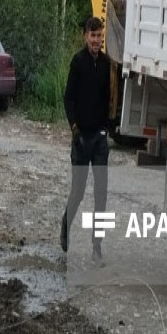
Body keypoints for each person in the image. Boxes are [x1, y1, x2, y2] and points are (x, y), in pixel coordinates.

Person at [61, 16, 115, 262]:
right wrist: (75, 130)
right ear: (85, 36)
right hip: (81, 138)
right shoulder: (78, 62)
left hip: (99, 139)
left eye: (99, 35)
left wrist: (106, 129)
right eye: (92, 36)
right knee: (79, 192)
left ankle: (97, 247)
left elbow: (108, 100)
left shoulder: (105, 64)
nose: (96, 40)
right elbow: (67, 98)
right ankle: (66, 225)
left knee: (101, 193)